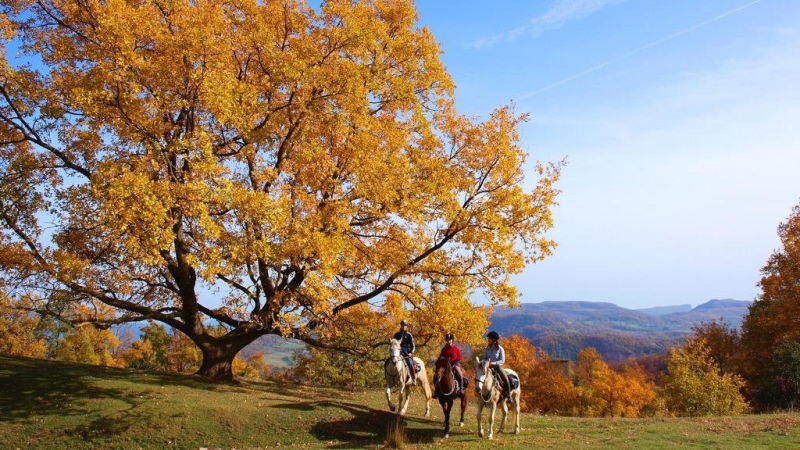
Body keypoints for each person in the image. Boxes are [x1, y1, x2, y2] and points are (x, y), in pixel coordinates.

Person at [433, 333, 466, 398]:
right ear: (446, 341)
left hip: (454, 364)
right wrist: (442, 359)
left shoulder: (456, 348)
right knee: (437, 374)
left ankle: (461, 389)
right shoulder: (444, 349)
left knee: (460, 374)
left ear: (452, 340)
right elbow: (441, 356)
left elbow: (460, 357)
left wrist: (454, 361)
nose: (449, 341)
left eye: (450, 340)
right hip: (445, 366)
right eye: (447, 340)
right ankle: (436, 391)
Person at [482, 330, 511, 399]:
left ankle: (508, 395)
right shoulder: (487, 348)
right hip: (487, 367)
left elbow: (502, 360)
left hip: (497, 367)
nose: (488, 339)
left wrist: (494, 363)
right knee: (479, 376)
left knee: (506, 379)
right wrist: (483, 362)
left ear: (494, 340)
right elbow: (484, 358)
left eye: (489, 338)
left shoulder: (500, 349)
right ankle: (480, 392)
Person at [393, 320, 416, 384]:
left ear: (406, 326)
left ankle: (413, 379)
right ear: (401, 326)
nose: (404, 326)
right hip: (397, 352)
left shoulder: (409, 335)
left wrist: (411, 353)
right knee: (390, 361)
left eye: (405, 325)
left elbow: (413, 345)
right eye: (402, 325)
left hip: (406, 352)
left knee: (411, 363)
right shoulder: (396, 335)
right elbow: (393, 344)